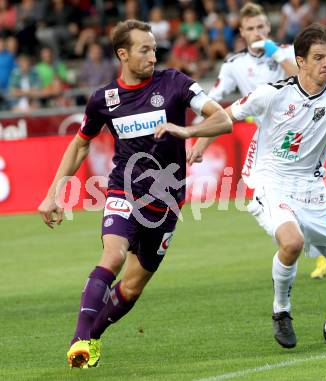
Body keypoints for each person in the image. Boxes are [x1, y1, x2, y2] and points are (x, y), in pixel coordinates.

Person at [37, 19, 232, 368]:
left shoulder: (176, 83)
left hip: (167, 201)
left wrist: (186, 130)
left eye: (155, 48)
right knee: (112, 256)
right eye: (145, 49)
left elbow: (223, 120)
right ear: (122, 54)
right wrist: (54, 192)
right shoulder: (103, 100)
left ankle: (93, 338)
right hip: (124, 190)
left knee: (131, 287)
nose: (153, 56)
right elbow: (80, 146)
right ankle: (80, 339)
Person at [192, 2, 326, 281]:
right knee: (293, 203)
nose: (257, 32)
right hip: (269, 138)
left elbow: (301, 73)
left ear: (267, 28)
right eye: (251, 28)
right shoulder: (234, 65)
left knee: (316, 201)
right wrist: (201, 139)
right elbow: (217, 103)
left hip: (305, 130)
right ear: (241, 32)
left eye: (261, 26)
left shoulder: (285, 53)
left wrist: (272, 49)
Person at [222, 23, 326, 348]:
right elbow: (226, 116)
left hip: (314, 193)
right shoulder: (273, 92)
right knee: (292, 242)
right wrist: (189, 135)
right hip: (270, 182)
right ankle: (281, 311)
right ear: (300, 60)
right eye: (319, 57)